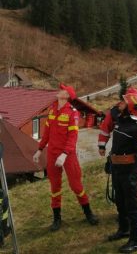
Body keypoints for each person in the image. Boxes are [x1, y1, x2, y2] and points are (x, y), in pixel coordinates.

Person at [32, 84, 98, 231]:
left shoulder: (73, 113)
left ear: (67, 95)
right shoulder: (52, 110)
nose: (58, 90)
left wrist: (64, 154)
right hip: (52, 153)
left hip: (68, 155)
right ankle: (57, 219)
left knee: (76, 186)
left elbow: (73, 137)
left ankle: (88, 213)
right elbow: (47, 132)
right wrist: (40, 149)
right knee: (54, 186)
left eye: (62, 89)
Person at [98, 86, 137, 212]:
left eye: (125, 100)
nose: (121, 102)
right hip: (120, 156)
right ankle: (124, 207)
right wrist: (101, 145)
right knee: (122, 183)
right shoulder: (115, 112)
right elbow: (105, 128)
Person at [107, 91, 137, 253]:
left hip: (129, 171)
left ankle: (135, 240)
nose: (119, 103)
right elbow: (116, 146)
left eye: (123, 101)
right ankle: (124, 230)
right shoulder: (120, 122)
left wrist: (135, 174)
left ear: (130, 106)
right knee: (120, 202)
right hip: (117, 169)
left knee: (132, 206)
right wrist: (109, 162)